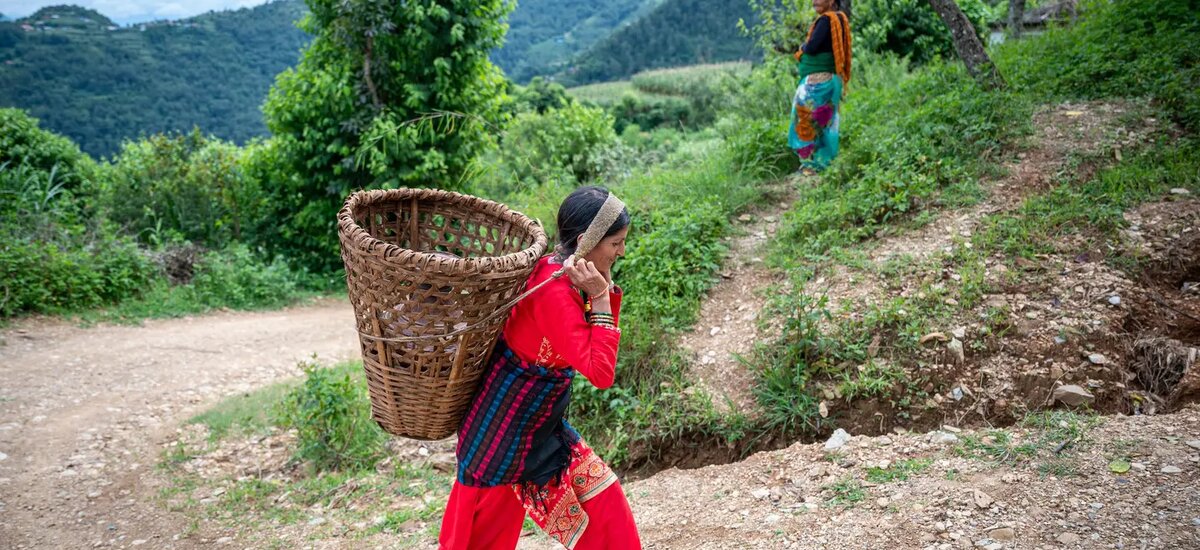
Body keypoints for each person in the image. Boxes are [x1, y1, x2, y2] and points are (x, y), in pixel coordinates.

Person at [439, 186, 642, 550]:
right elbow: (601, 372)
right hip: (499, 435)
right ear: (586, 241)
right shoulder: (554, 292)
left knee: (609, 515)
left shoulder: (563, 276)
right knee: (477, 540)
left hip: (539, 427)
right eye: (616, 243)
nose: (622, 251)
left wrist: (599, 292)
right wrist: (599, 297)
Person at [788, 0, 852, 173]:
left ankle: (810, 166)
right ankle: (824, 165)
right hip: (832, 80)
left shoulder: (826, 20)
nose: (814, 1)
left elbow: (812, 47)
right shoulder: (840, 19)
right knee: (826, 122)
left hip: (818, 81)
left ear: (831, 1)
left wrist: (803, 47)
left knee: (805, 118)